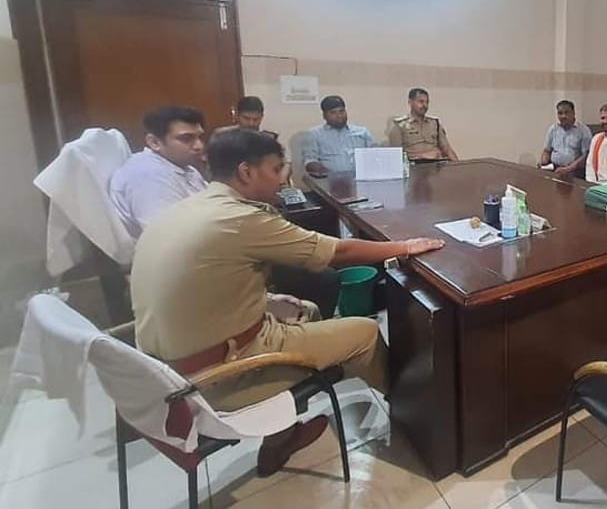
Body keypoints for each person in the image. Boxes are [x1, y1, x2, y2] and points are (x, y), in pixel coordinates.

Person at [130, 129, 445, 476]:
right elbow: (337, 252)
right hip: (217, 378)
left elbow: (203, 282)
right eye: (277, 169)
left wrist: (266, 299)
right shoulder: (242, 218)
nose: (284, 179)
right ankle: (413, 415)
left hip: (162, 374)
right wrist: (405, 247)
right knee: (366, 332)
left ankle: (281, 435)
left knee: (304, 310)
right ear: (246, 172)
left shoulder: (187, 208)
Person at [109, 105, 208, 239]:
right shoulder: (147, 176)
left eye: (200, 137)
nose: (199, 146)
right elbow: (168, 238)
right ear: (154, 142)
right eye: (186, 139)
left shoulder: (183, 166)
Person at [302, 95, 375, 176]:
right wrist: (325, 172)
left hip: (361, 177)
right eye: (333, 112)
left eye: (342, 111)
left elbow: (375, 156)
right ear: (324, 115)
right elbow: (310, 161)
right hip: (330, 180)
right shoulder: (314, 134)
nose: (339, 116)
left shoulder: (362, 132)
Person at [386, 88, 459, 162]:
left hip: (436, 165)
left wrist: (458, 165)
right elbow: (396, 156)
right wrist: (422, 156)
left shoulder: (434, 123)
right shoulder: (400, 126)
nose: (424, 105)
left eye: (427, 102)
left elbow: (447, 149)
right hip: (414, 167)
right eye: (421, 101)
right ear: (410, 102)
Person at [539, 100, 591, 179]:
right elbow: (547, 150)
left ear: (573, 113)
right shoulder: (553, 129)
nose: (563, 116)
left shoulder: (583, 130)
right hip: (554, 169)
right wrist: (543, 162)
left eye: (567, 112)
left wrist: (568, 168)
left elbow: (586, 156)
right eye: (560, 113)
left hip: (574, 171)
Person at [213, 96, 278, 139]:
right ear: (237, 116)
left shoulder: (268, 139)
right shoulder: (222, 136)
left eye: (256, 119)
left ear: (261, 117)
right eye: (246, 118)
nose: (251, 123)